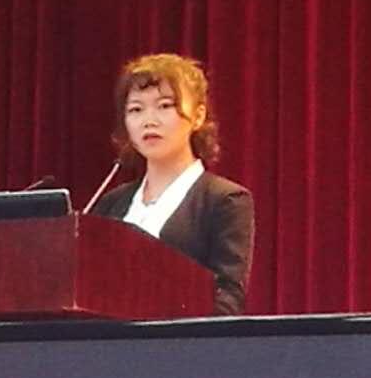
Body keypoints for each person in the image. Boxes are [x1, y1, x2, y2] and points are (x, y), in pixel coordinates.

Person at [87, 53, 254, 315]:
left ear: (198, 116)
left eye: (164, 106)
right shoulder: (110, 204)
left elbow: (227, 299)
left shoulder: (224, 201)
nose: (149, 120)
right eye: (136, 110)